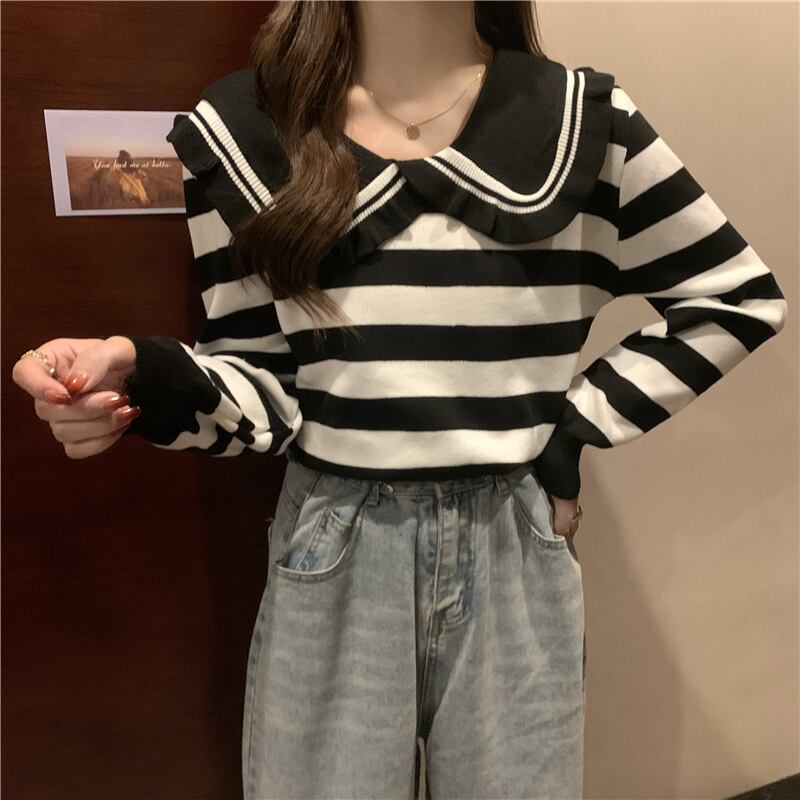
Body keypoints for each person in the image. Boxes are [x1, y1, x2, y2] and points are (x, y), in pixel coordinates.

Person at [12, 2, 789, 799]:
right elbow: (267, 385)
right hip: (335, 548)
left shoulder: (582, 124)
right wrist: (139, 373)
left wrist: (573, 429)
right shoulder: (245, 132)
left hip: (513, 548)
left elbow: (735, 298)